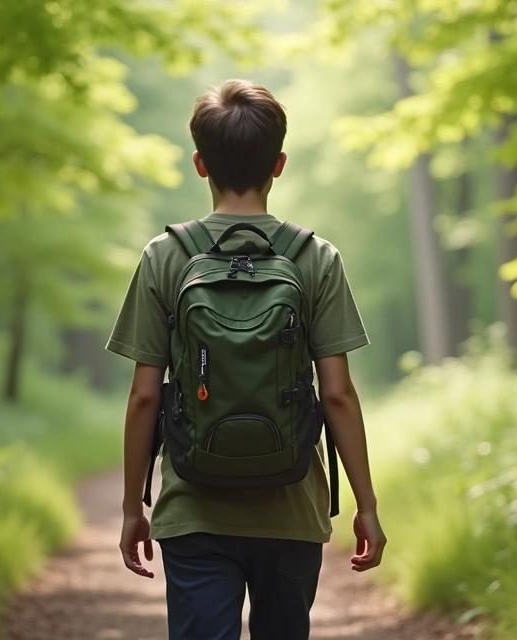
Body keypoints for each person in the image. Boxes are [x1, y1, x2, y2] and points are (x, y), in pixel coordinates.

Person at [106, 79, 386, 640]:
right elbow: (337, 394)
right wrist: (366, 505)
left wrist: (135, 505)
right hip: (291, 508)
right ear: (278, 164)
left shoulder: (165, 256)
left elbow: (144, 395)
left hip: (194, 508)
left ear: (199, 164)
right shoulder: (315, 257)